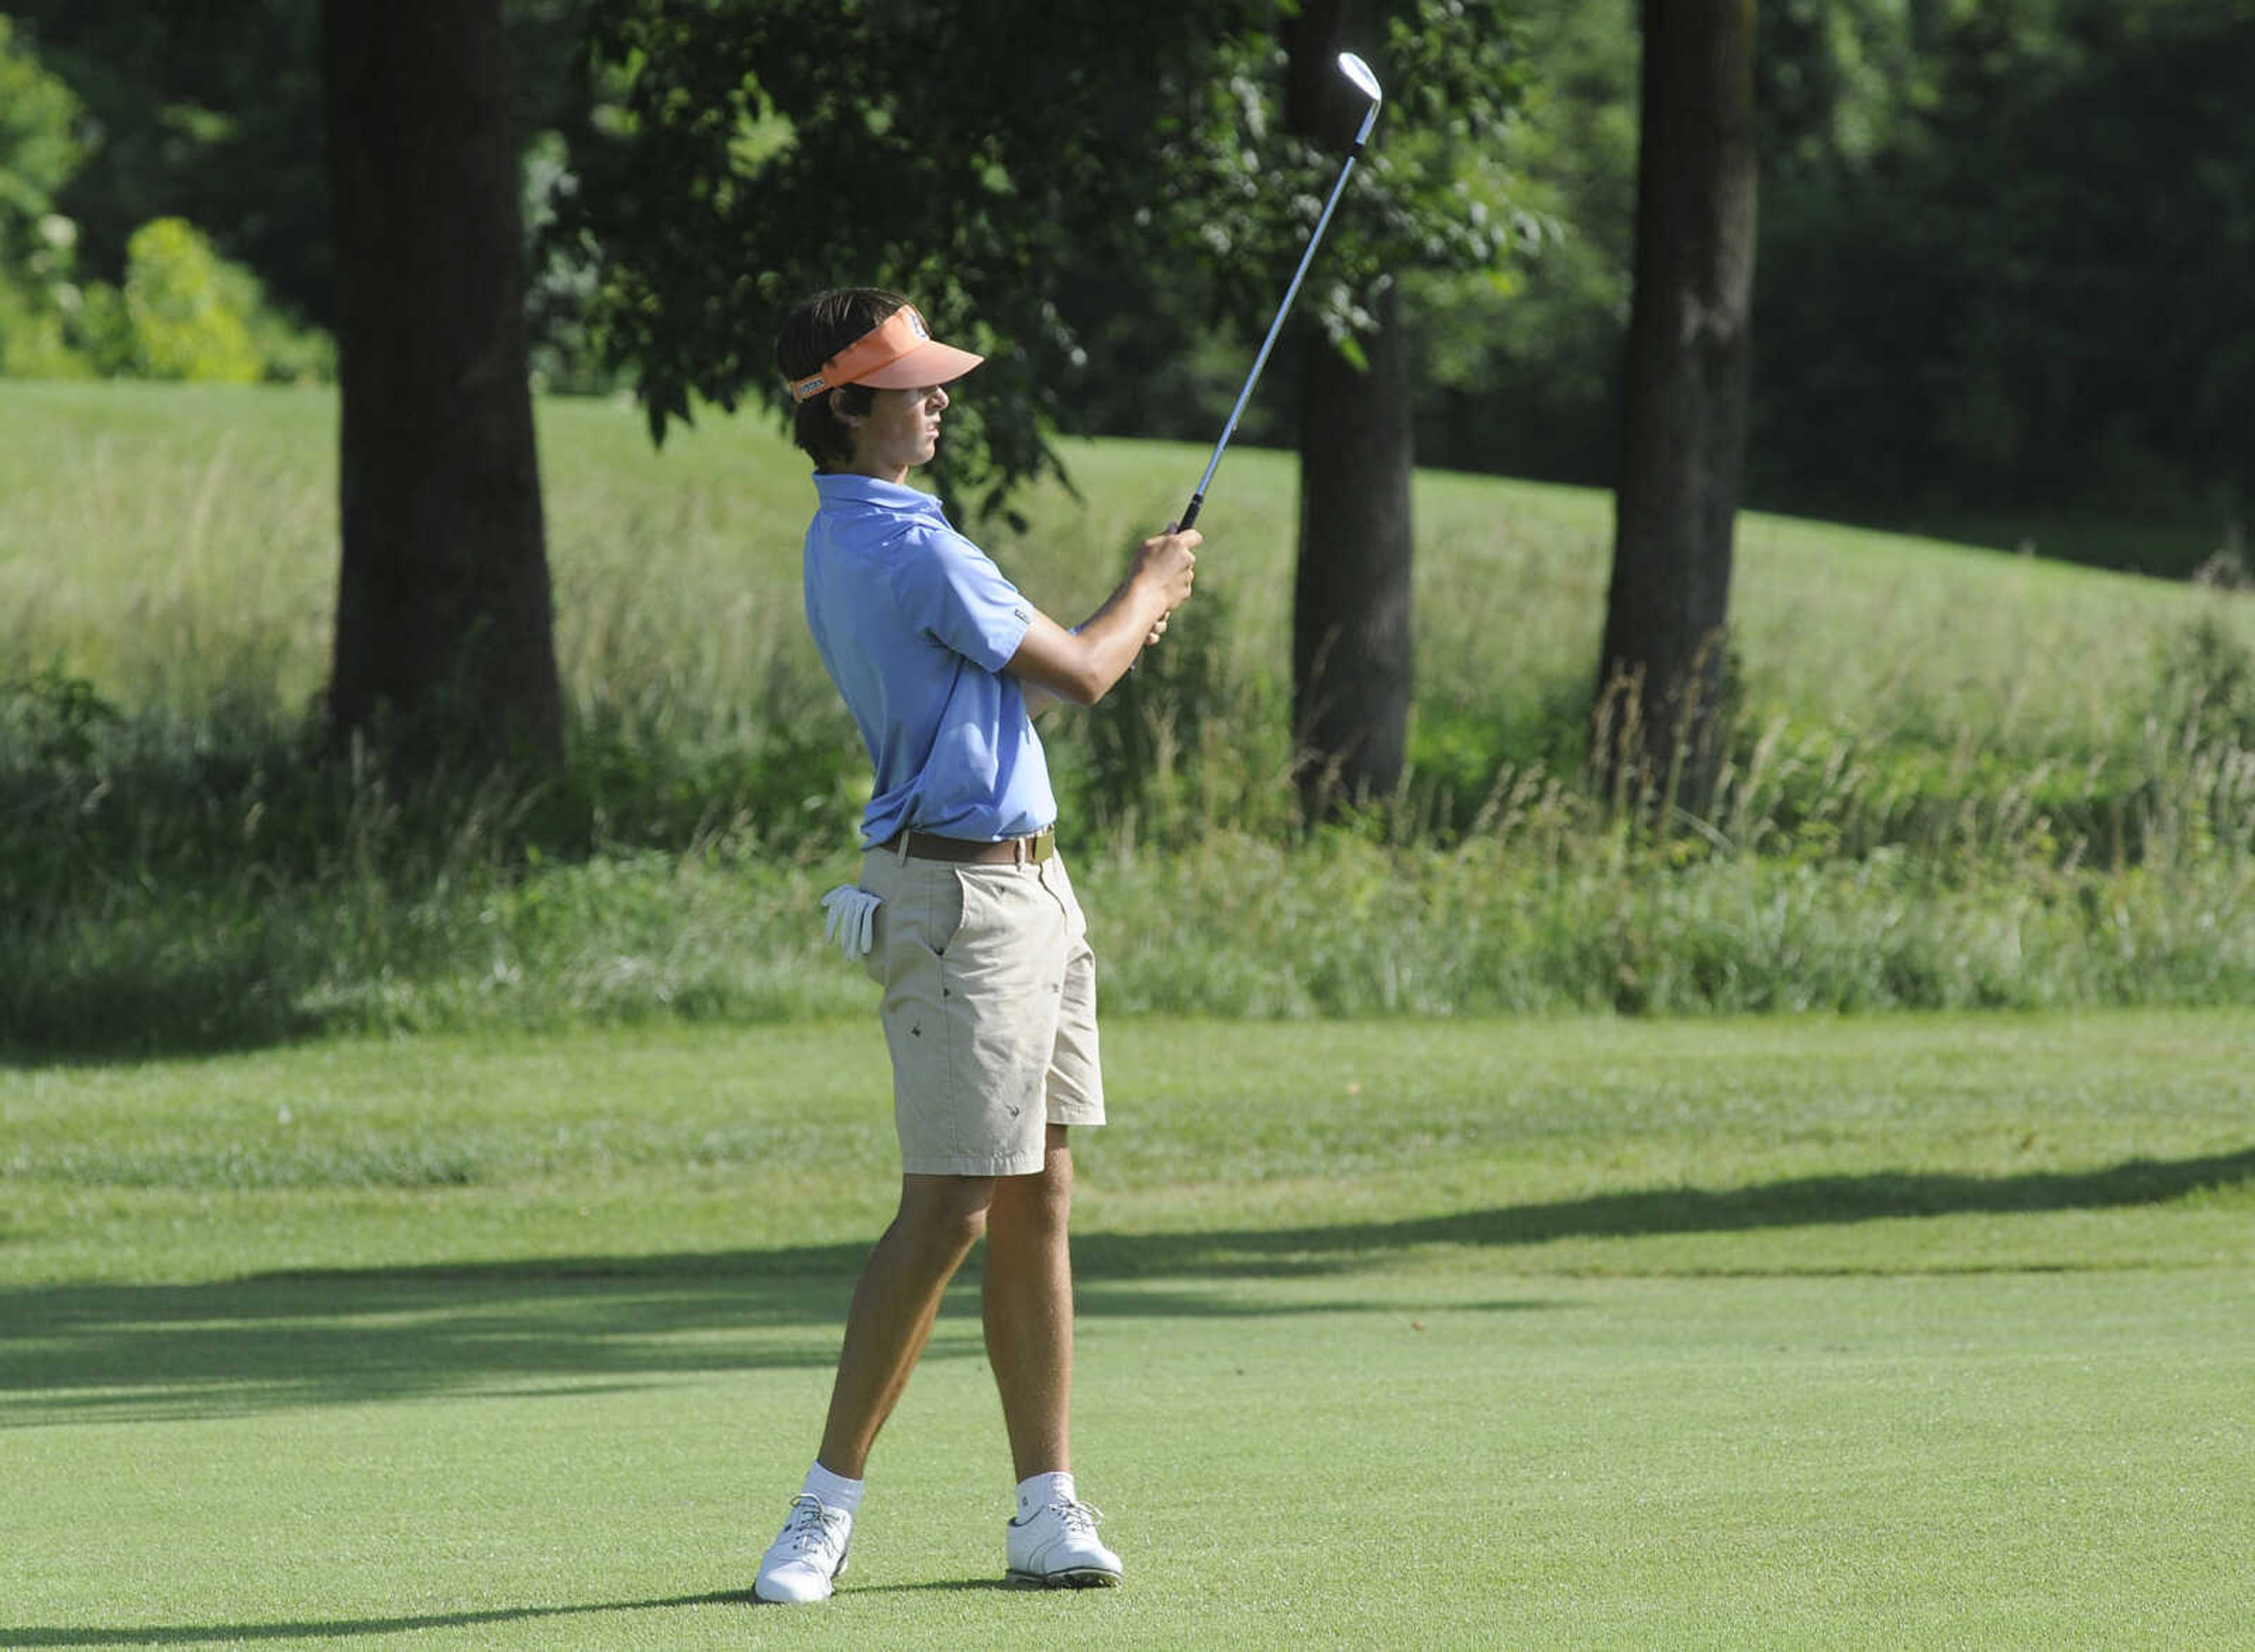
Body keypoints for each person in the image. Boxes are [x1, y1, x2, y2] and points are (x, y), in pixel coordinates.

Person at [752, 288, 1199, 1603]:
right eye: (914, 385)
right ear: (847, 406)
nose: (939, 397)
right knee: (949, 1204)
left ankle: (1046, 1508)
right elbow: (1084, 673)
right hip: (964, 908)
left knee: (1037, 1191)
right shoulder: (909, 548)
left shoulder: (875, 530)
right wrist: (1151, 587)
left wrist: (1129, 603)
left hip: (1031, 895)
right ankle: (820, 1514)